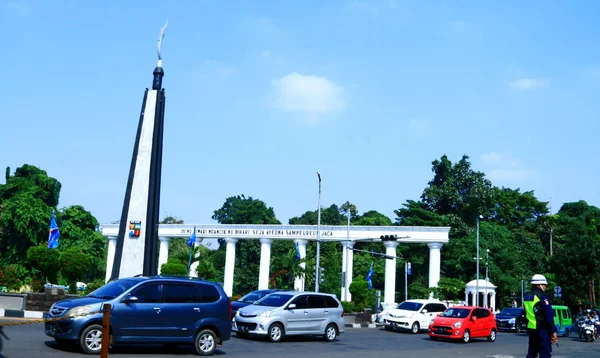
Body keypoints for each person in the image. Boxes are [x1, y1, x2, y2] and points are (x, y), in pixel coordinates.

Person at [524, 274, 558, 358]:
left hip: (531, 328)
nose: (546, 287)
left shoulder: (526, 296)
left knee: (532, 352)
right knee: (545, 352)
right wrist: (553, 331)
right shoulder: (542, 297)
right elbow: (549, 316)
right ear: (539, 285)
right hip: (542, 328)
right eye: (544, 285)